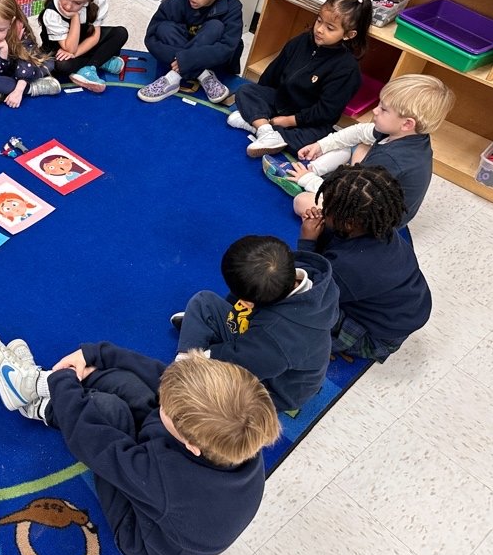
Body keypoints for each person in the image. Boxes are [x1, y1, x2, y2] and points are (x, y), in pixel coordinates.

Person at [0, 331, 280, 555]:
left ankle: (38, 400)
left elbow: (94, 443)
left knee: (110, 413)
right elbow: (165, 378)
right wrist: (97, 354)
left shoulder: (165, 479)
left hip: (145, 536)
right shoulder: (240, 430)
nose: (162, 401)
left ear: (191, 445)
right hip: (177, 479)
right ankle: (38, 385)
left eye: (166, 408)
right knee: (125, 384)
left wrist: (63, 383)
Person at [170, 235, 339, 411]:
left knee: (219, 399)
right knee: (203, 301)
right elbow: (236, 306)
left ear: (248, 302)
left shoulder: (277, 335)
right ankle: (193, 348)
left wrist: (206, 357)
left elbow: (241, 362)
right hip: (263, 341)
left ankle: (183, 369)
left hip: (274, 389)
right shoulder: (295, 272)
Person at [267, 73, 455, 228]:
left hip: (368, 221)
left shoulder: (390, 159)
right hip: (371, 186)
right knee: (357, 143)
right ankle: (312, 170)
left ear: (407, 124)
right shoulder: (407, 135)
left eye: (383, 109)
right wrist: (321, 145)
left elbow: (351, 198)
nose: (375, 111)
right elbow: (358, 132)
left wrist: (309, 182)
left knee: (302, 201)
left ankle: (307, 178)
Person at [297, 166, 431, 362]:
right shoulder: (381, 229)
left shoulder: (349, 266)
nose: (323, 210)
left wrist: (307, 242)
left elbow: (308, 292)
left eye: (329, 208)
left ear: (349, 223)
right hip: (402, 312)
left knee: (295, 315)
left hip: (377, 338)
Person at [229, 0, 372, 158]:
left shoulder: (346, 68)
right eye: (319, 21)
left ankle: (258, 124)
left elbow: (326, 112)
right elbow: (271, 75)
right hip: (281, 103)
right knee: (246, 90)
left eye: (330, 28)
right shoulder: (302, 41)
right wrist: (262, 99)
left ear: (349, 35)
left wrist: (289, 120)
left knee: (311, 143)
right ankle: (266, 130)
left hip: (309, 121)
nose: (319, 29)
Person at [138, 0, 243, 104]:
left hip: (215, 63)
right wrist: (184, 59)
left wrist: (188, 59)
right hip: (182, 57)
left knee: (215, 27)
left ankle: (173, 77)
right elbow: (151, 38)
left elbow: (227, 48)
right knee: (164, 28)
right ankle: (202, 74)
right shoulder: (176, 3)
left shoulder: (233, 8)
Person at [37, 0, 129, 92]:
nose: (68, 6)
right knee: (62, 66)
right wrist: (75, 15)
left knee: (121, 33)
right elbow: (69, 48)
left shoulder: (98, 0)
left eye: (77, 2)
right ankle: (101, 59)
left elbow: (94, 35)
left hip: (84, 41)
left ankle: (89, 67)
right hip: (60, 49)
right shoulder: (52, 13)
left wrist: (76, 54)